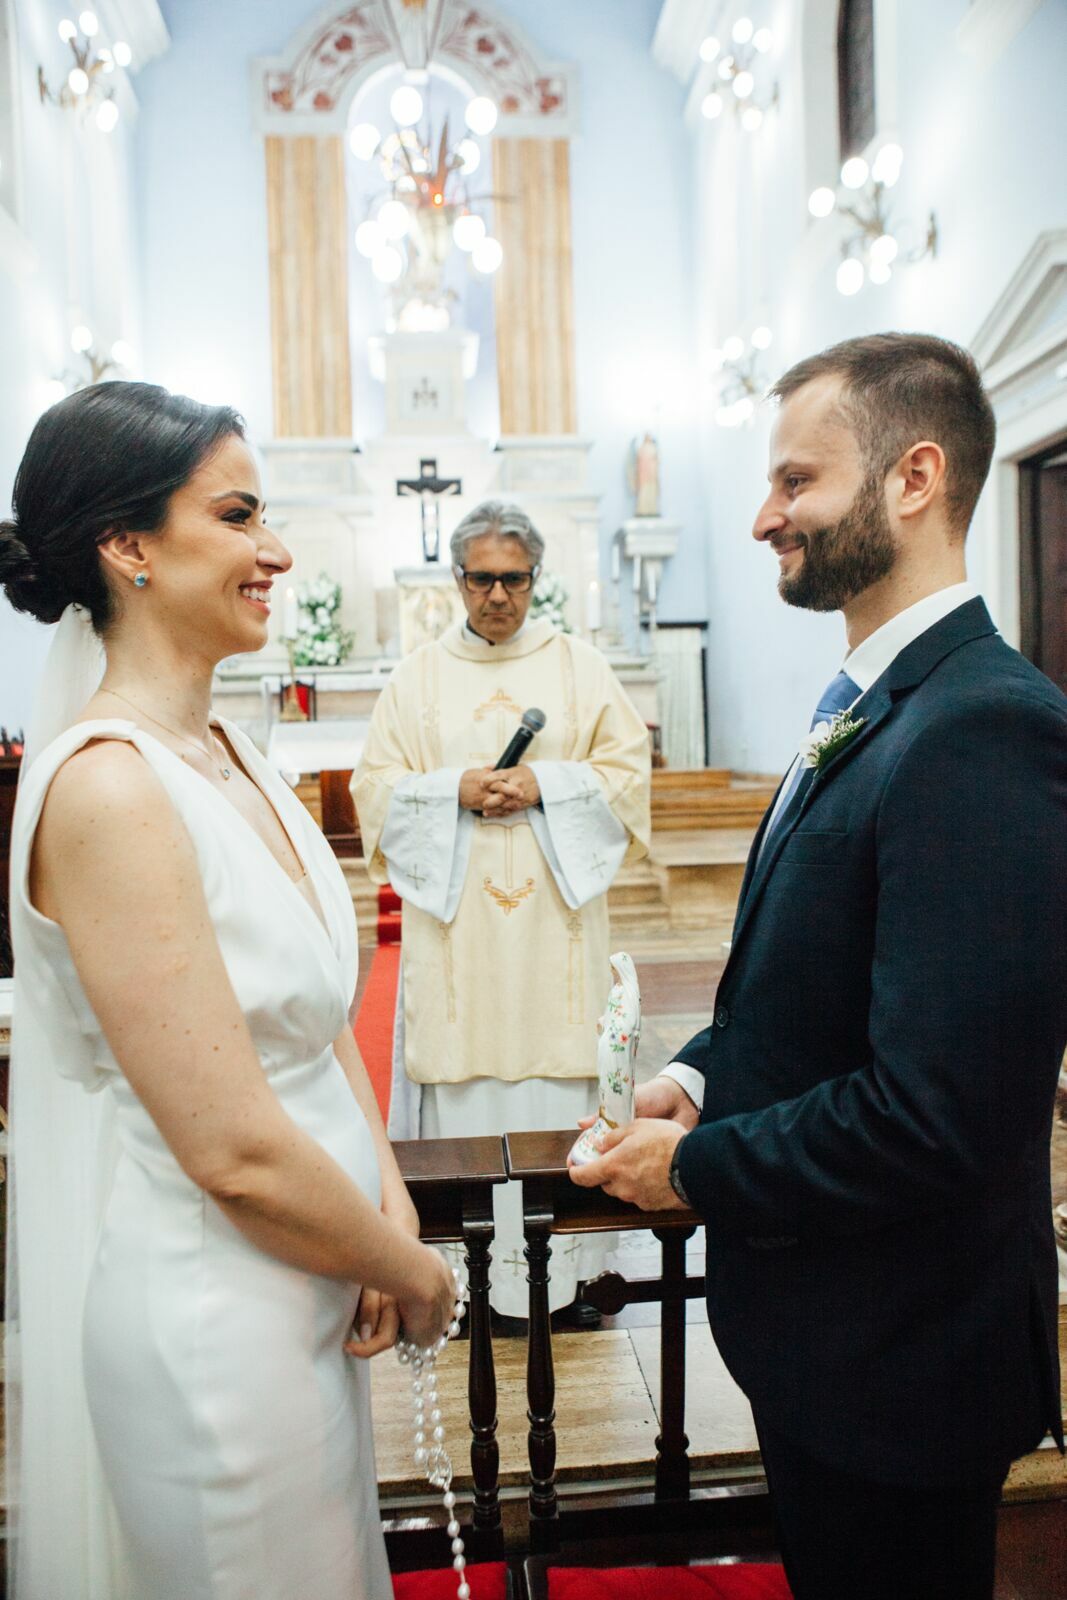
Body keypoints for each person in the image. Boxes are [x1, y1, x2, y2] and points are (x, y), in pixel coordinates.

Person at [571, 333, 1067, 1599]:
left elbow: (936, 1112)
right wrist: (694, 1077)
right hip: (838, 1339)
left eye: (795, 482)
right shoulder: (881, 701)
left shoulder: (981, 727)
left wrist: (692, 1167)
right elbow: (800, 991)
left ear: (910, 477)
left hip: (904, 1359)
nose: (760, 517)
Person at [0, 382, 456, 1600]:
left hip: (313, 1268)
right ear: (128, 544)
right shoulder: (108, 789)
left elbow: (313, 1031)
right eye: (240, 515)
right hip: (214, 1311)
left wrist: (385, 1221)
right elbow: (231, 1148)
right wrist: (414, 1273)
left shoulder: (232, 752)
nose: (278, 550)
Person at [353, 501, 651, 1322]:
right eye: (480, 578)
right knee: (471, 1090)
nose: (496, 596)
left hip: (554, 939)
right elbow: (371, 790)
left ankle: (568, 1283)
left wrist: (541, 784)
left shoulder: (578, 668)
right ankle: (474, 1287)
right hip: (460, 947)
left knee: (558, 1087)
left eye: (512, 579)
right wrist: (452, 788)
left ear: (534, 579)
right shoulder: (415, 677)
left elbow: (626, 775)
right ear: (456, 580)